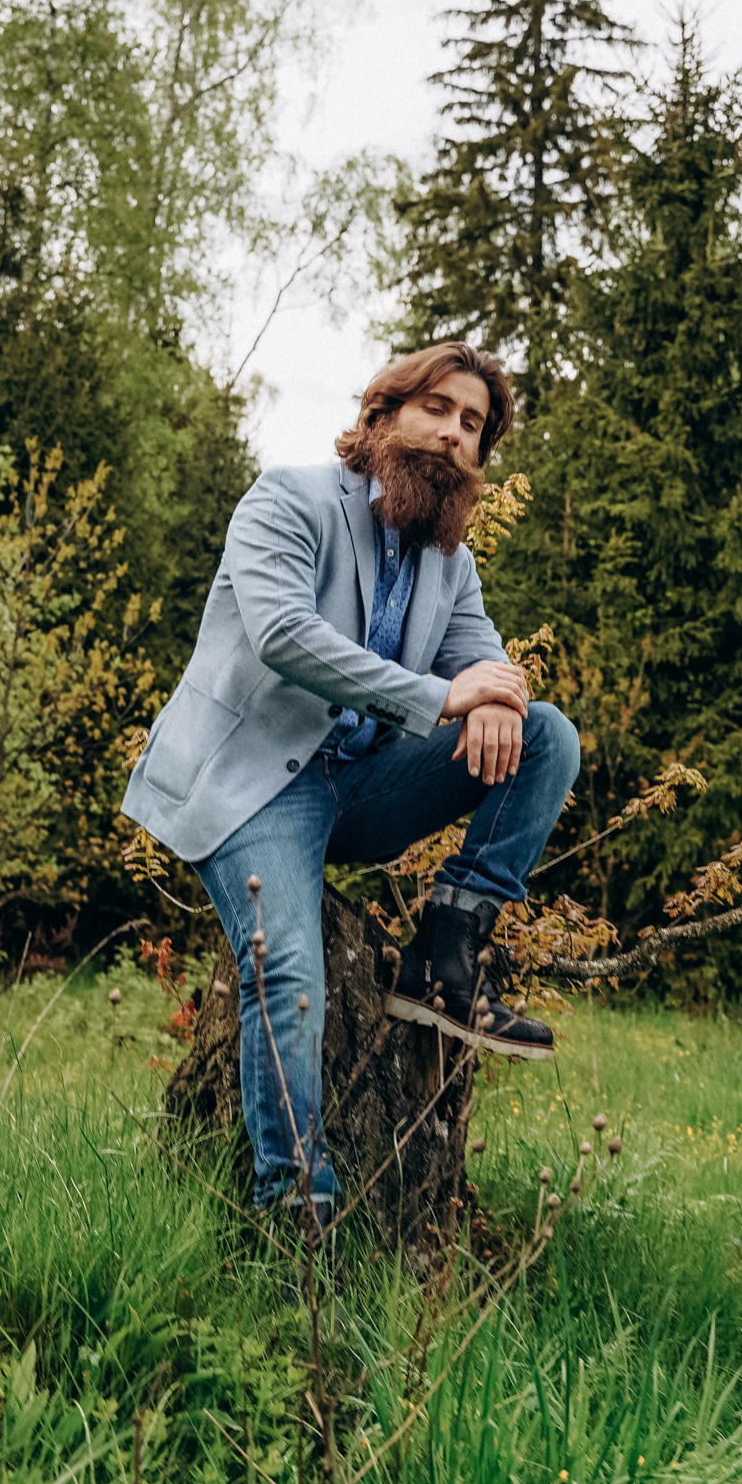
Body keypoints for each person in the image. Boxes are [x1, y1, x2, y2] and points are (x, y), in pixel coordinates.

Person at [121, 341, 580, 1230]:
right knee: (289, 970)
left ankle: (445, 959)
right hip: (255, 785)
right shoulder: (287, 500)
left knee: (546, 736)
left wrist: (497, 695)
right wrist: (443, 696)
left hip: (362, 786)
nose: (453, 434)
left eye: (473, 424)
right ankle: (297, 1203)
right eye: (437, 409)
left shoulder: (451, 563)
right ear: (381, 416)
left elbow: (488, 665)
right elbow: (284, 634)